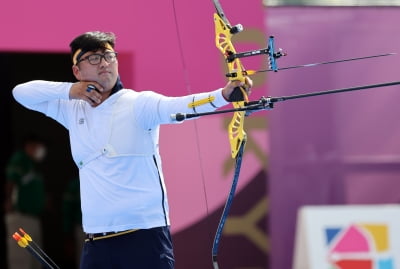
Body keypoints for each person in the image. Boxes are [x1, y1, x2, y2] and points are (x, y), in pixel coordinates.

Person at [12, 31, 252, 269]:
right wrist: (70, 90)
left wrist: (223, 95)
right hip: (97, 241)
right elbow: (21, 93)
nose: (104, 63)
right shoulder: (72, 110)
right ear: (77, 71)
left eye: (109, 56)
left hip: (144, 237)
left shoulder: (139, 103)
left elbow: (181, 106)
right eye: (93, 58)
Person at [4, 134, 46, 269]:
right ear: (29, 146)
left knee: (35, 262)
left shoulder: (33, 166)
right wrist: (9, 201)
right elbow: (11, 182)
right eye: (37, 146)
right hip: (20, 217)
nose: (41, 149)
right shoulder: (20, 160)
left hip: (33, 218)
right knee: (21, 261)